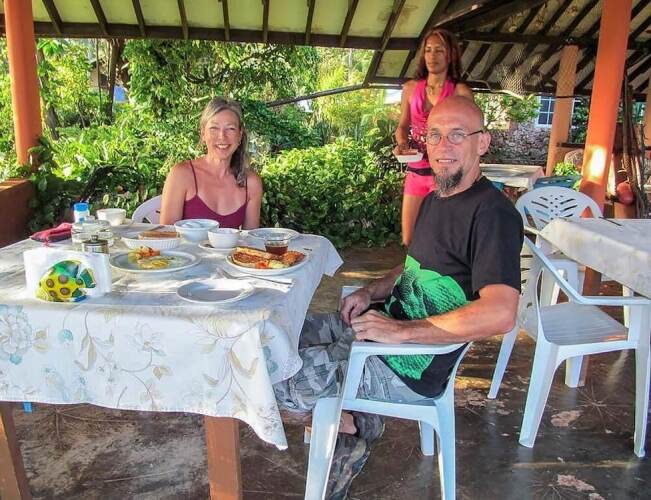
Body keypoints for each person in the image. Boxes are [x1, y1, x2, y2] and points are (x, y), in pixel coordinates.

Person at [275, 96, 523, 499]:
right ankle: (355, 422)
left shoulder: (493, 214)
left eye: (457, 135)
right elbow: (413, 265)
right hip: (379, 330)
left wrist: (402, 332)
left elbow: (501, 312)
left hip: (407, 366)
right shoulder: (436, 198)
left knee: (269, 379)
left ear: (482, 142)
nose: (443, 146)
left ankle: (352, 421)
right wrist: (371, 291)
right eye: (435, 135)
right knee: (273, 338)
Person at [394, 29, 473, 246]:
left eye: (439, 50)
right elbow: (402, 126)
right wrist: (402, 144)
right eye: (428, 50)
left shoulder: (460, 92)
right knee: (409, 239)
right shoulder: (410, 89)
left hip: (446, 175)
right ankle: (414, 270)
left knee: (441, 240)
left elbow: (471, 135)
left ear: (450, 55)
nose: (432, 55)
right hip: (416, 172)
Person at [160, 97, 262, 228]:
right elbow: (167, 234)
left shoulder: (251, 182)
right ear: (203, 134)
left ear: (240, 135)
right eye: (214, 128)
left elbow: (250, 238)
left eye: (230, 128)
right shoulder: (181, 174)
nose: (222, 136)